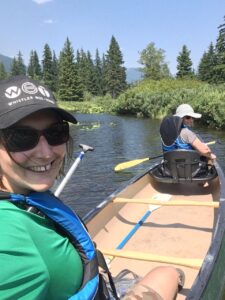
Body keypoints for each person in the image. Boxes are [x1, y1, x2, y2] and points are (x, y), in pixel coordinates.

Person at [0, 75, 183, 300]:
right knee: (168, 273)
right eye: (21, 138)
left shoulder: (22, 195)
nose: (47, 153)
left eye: (56, 132)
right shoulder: (8, 244)